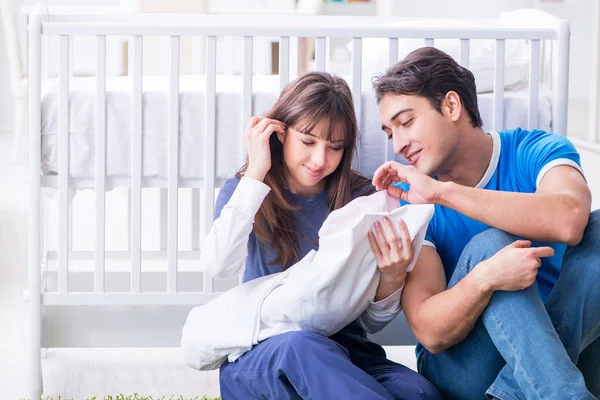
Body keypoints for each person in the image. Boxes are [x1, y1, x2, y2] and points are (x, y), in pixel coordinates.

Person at [371, 46, 600, 400]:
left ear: (451, 105)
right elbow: (430, 331)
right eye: (390, 133)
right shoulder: (410, 200)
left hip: (559, 355)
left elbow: (570, 220)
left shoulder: (534, 150)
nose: (398, 144)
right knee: (489, 248)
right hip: (468, 367)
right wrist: (486, 278)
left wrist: (442, 193)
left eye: (406, 122)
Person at [201, 71, 442, 400]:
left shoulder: (362, 198)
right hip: (269, 353)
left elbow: (371, 324)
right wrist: (257, 170)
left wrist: (392, 277)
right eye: (308, 141)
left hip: (347, 353)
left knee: (418, 392)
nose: (320, 160)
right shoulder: (246, 191)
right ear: (282, 132)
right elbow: (218, 268)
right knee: (302, 348)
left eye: (334, 147)